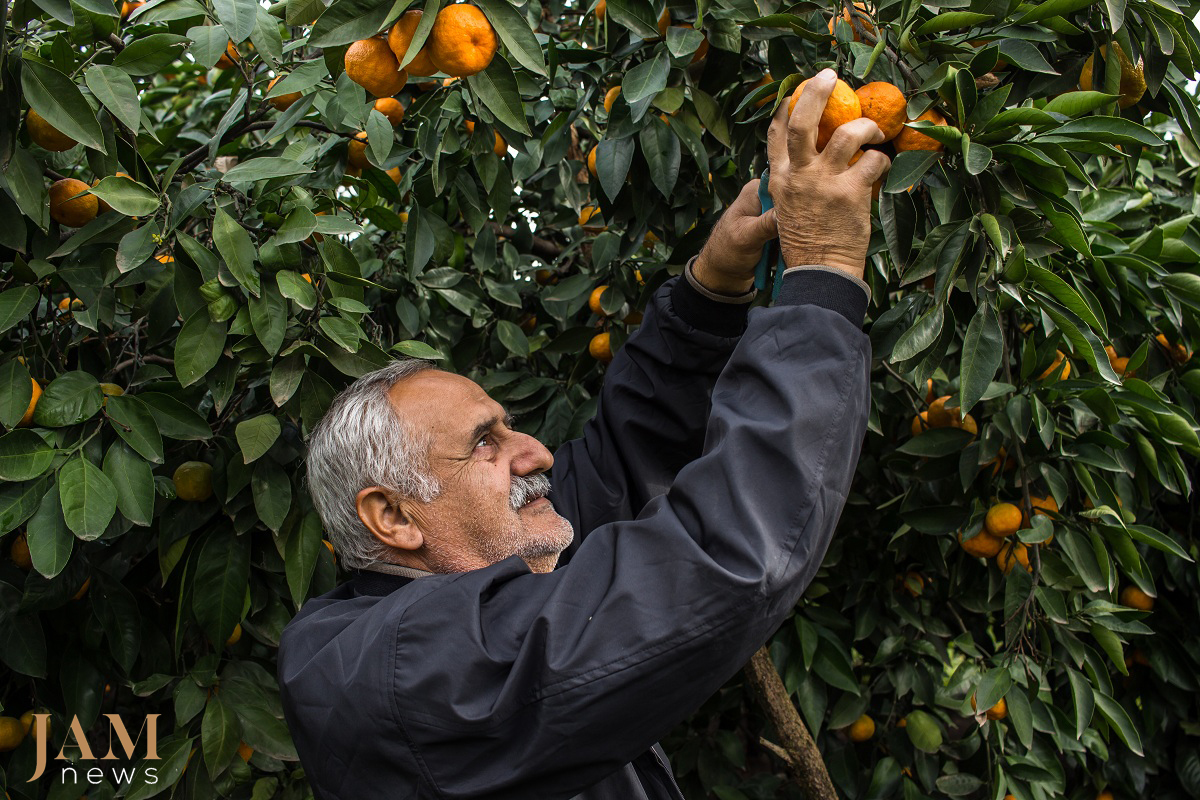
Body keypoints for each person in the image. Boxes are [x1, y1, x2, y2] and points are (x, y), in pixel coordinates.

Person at [277, 68, 888, 800]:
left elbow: (624, 460)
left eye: (510, 426)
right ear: (394, 516)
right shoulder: (402, 674)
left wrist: (714, 284)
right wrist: (821, 276)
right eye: (484, 442)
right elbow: (721, 560)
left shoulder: (486, 569)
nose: (532, 450)